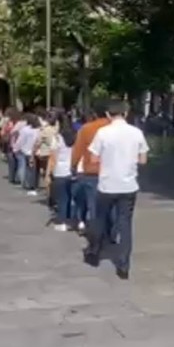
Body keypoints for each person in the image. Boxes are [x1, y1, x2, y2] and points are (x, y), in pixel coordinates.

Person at [83, 100, 149, 280]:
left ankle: (94, 252)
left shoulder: (103, 133)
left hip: (107, 184)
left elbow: (94, 159)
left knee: (100, 218)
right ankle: (123, 264)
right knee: (125, 224)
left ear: (107, 115)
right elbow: (143, 160)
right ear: (126, 113)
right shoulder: (136, 133)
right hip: (129, 185)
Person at [71, 103, 111, 232]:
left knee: (93, 206)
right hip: (113, 171)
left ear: (94, 114)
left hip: (92, 171)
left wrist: (73, 166)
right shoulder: (115, 129)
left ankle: (96, 236)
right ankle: (112, 233)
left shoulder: (87, 129)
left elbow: (78, 150)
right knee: (113, 207)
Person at [49, 114, 77, 231]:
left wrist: (48, 173)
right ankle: (73, 220)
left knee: (62, 199)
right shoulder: (76, 137)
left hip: (60, 171)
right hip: (73, 170)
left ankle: (62, 221)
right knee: (73, 198)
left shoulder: (57, 138)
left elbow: (53, 158)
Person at [16, 114, 41, 194]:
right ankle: (35, 184)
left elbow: (21, 140)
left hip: (27, 151)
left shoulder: (25, 130)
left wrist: (16, 148)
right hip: (37, 151)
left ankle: (30, 185)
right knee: (36, 169)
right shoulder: (39, 129)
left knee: (29, 169)